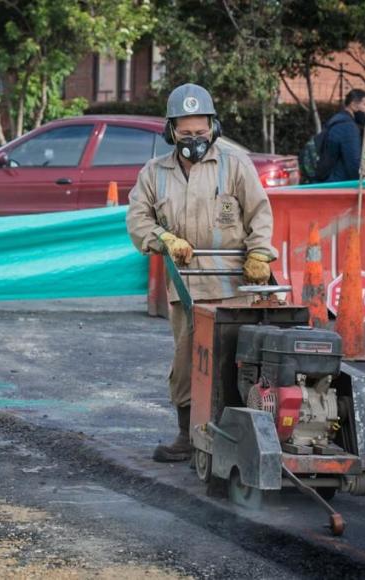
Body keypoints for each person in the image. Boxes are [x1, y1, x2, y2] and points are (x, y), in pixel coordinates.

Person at [126, 83, 276, 463]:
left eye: (201, 131)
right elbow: (137, 219)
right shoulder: (154, 174)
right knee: (187, 363)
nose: (195, 139)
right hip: (187, 288)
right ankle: (187, 434)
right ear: (171, 131)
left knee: (234, 361)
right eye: (186, 132)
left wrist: (259, 253)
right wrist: (162, 238)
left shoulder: (234, 165)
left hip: (234, 285)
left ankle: (239, 435)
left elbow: (260, 212)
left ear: (214, 126)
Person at [321, 89, 365, 182]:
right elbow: (354, 164)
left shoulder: (336, 120)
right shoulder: (348, 127)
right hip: (338, 185)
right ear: (353, 105)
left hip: (327, 180)